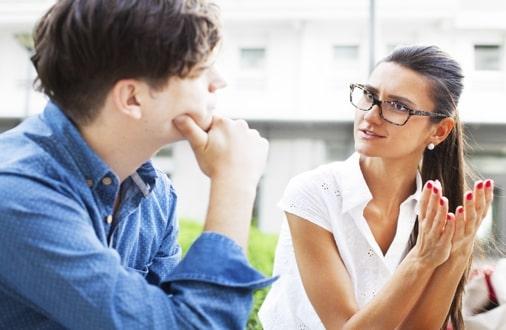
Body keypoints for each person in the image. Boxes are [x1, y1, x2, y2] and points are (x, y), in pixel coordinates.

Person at [0, 0, 273, 329]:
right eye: (202, 70)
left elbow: (169, 309)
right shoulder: (17, 192)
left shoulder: (156, 194)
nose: (219, 81)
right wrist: (235, 183)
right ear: (132, 98)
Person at [259, 45, 495, 329]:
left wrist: (458, 248)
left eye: (397, 106)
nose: (370, 115)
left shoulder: (434, 213)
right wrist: (421, 259)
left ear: (439, 130)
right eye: (370, 95)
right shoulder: (312, 192)